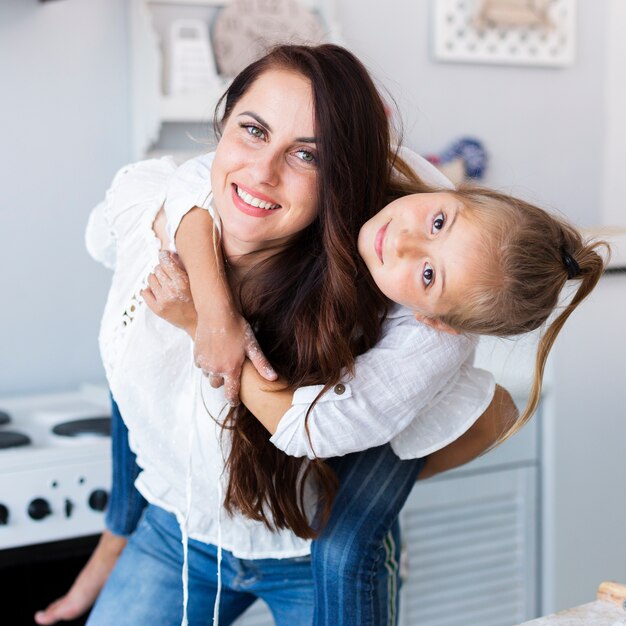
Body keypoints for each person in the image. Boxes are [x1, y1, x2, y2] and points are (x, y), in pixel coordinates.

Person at [35, 43, 606, 626]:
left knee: (347, 542)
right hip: (184, 525)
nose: (408, 243)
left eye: (307, 155)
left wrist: (201, 326)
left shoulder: (424, 325)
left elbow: (315, 429)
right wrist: (212, 312)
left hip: (315, 520)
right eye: (252, 130)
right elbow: (167, 185)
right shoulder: (166, 212)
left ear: (337, 174)